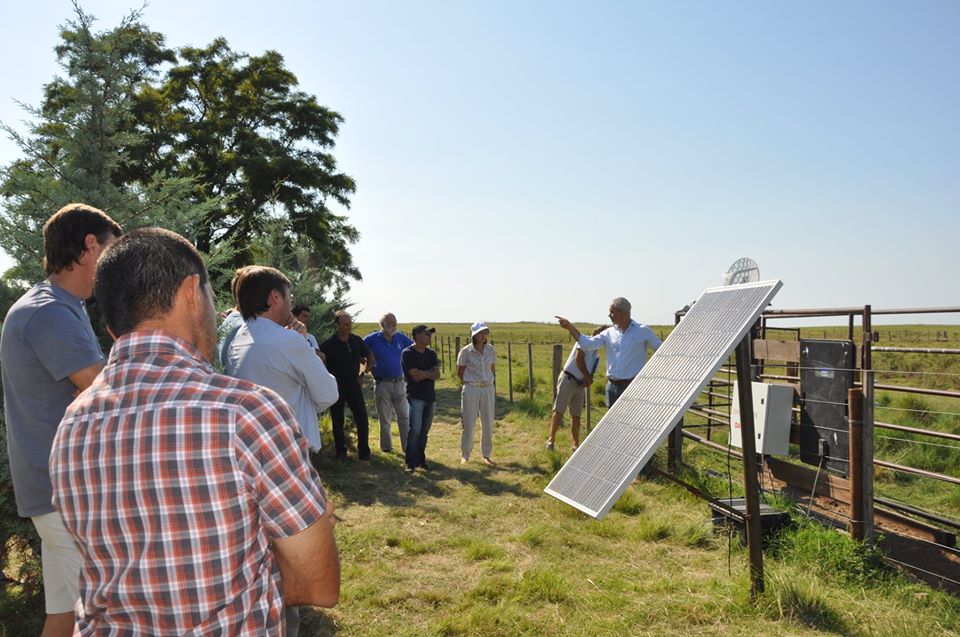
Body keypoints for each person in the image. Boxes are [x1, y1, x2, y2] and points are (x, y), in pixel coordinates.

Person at [49, 228, 339, 635]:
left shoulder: (71, 426)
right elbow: (316, 582)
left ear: (113, 327)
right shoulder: (245, 413)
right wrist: (293, 537)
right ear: (191, 292)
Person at [0, 203, 122, 637]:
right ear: (90, 246)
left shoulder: (63, 307)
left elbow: (98, 389)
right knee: (106, 617)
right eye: (111, 249)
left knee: (64, 617)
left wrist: (98, 385)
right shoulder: (49, 311)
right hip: (64, 494)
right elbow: (109, 393)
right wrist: (102, 385)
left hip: (58, 491)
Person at [225, 266, 339, 453]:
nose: (291, 304)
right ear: (275, 297)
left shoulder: (237, 340)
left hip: (252, 446)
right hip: (288, 450)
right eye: (290, 297)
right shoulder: (290, 341)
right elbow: (328, 394)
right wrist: (303, 343)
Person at [556, 296, 662, 407]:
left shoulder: (643, 331)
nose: (609, 315)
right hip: (611, 388)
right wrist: (570, 327)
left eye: (612, 312)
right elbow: (588, 344)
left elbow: (662, 350)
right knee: (612, 419)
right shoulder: (609, 333)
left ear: (622, 313)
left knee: (632, 417)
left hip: (633, 387)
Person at [320, 311, 374, 460]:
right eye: (345, 324)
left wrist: (363, 373)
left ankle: (364, 451)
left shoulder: (356, 341)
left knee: (361, 417)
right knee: (338, 419)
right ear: (337, 325)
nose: (349, 326)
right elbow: (319, 360)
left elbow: (370, 356)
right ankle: (341, 452)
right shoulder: (329, 344)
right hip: (336, 385)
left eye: (350, 323)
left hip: (353, 383)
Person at [546, 325, 607, 452]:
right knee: (559, 410)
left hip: (579, 384)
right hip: (568, 379)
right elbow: (579, 360)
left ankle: (575, 444)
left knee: (576, 415)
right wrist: (588, 377)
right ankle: (551, 439)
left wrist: (587, 380)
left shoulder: (595, 353)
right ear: (597, 334)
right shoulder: (584, 342)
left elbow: (590, 370)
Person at [363, 313, 413, 454]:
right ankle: (386, 447)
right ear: (382, 324)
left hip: (399, 383)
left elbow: (414, 349)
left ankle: (408, 448)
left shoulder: (401, 338)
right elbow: (359, 351)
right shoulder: (371, 339)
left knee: (404, 417)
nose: (394, 325)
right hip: (382, 384)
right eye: (390, 322)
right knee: (384, 418)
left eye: (395, 322)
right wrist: (366, 367)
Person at [401, 325, 440, 473]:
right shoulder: (408, 353)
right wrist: (429, 373)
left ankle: (420, 460)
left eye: (430, 334)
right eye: (426, 334)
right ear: (417, 336)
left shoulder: (431, 353)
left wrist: (425, 373)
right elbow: (415, 377)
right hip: (415, 397)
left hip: (430, 397)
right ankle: (410, 463)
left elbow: (437, 374)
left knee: (424, 431)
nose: (430, 337)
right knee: (415, 430)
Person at [457, 321, 496, 465]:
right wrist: (470, 383)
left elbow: (492, 368)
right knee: (468, 422)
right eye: (480, 333)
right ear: (474, 335)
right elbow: (460, 372)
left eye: (485, 332)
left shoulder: (491, 350)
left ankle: (486, 454)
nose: (483, 336)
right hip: (471, 388)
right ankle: (465, 454)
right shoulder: (466, 351)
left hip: (488, 388)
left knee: (488, 422)